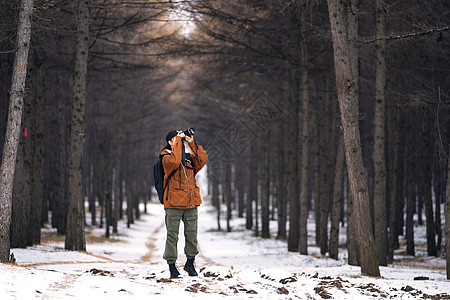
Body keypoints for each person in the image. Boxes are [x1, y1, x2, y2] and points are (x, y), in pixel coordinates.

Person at [161, 129, 208, 278]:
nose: (180, 140)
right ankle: (171, 266)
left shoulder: (188, 159)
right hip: (174, 203)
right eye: (176, 138)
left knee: (192, 235)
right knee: (172, 236)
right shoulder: (166, 157)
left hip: (191, 202)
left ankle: (190, 263)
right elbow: (174, 162)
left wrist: (191, 142)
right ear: (169, 142)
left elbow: (203, 159)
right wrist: (177, 145)